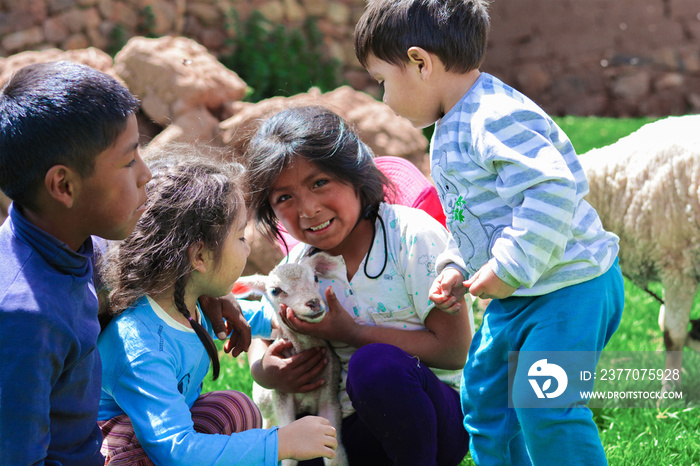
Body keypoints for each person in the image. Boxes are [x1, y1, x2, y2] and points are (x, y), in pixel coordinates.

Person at [354, 1, 625, 465]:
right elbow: (471, 216)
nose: (384, 100)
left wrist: (509, 265)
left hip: (570, 288)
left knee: (546, 404)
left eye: (383, 80)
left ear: (420, 63)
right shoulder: (451, 127)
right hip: (517, 296)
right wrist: (457, 265)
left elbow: (552, 189)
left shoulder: (493, 117)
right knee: (485, 402)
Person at [243, 105, 473, 465]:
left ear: (357, 175)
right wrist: (265, 370)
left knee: (374, 365)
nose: (308, 209)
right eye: (284, 198)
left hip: (430, 418)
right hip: (348, 428)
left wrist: (352, 332)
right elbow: (263, 330)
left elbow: (453, 350)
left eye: (320, 183)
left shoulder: (411, 238)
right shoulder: (299, 267)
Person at [96, 145, 339, 465]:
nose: (248, 244)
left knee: (235, 408)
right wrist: (279, 443)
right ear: (199, 256)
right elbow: (175, 451)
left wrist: (287, 317)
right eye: (239, 236)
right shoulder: (140, 347)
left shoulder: (185, 304)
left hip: (159, 439)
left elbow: (260, 316)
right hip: (120, 448)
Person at [0, 61, 151, 464]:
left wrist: (199, 297)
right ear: (64, 186)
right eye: (129, 161)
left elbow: (120, 275)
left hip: (87, 444)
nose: (147, 174)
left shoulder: (68, 240)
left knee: (228, 410)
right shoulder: (25, 318)